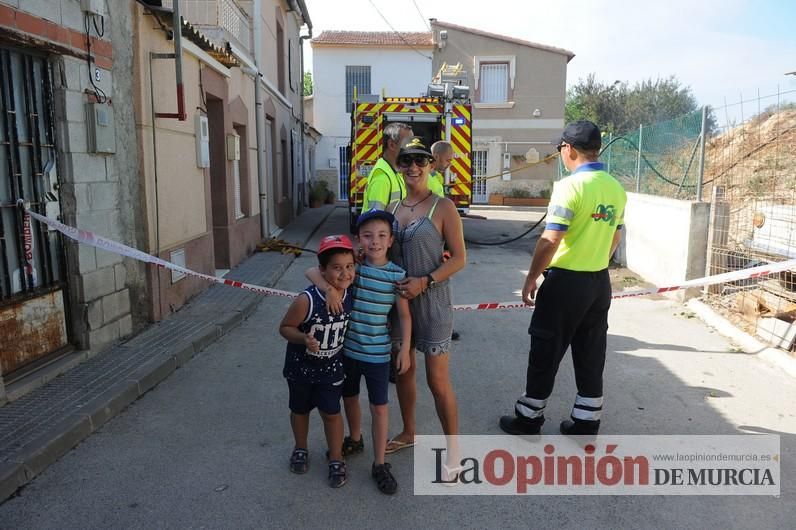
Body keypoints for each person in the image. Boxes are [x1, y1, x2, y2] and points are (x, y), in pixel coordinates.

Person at [499, 120, 627, 437]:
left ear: (568, 149)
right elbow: (616, 234)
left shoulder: (570, 186)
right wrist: (597, 258)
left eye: (560, 149)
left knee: (546, 348)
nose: (560, 154)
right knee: (591, 351)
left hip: (565, 284)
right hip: (598, 282)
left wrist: (530, 278)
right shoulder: (615, 187)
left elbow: (550, 238)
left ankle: (529, 417)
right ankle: (586, 421)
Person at [306, 210, 412, 495]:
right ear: (358, 240)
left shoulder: (397, 276)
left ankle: (379, 463)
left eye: (381, 236)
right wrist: (328, 289)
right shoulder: (355, 268)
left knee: (379, 408)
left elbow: (404, 316)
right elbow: (312, 270)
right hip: (348, 352)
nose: (374, 241)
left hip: (378, 356)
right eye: (367, 236)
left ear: (390, 240)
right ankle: (355, 439)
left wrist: (404, 349)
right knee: (349, 398)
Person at [384, 138, 466, 481]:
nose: (413, 167)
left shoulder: (443, 207)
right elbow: (382, 251)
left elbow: (460, 258)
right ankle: (409, 432)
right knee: (403, 371)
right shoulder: (391, 208)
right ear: (399, 165)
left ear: (431, 165)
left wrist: (426, 280)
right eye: (406, 161)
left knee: (437, 380)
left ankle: (455, 452)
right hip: (397, 306)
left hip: (432, 303)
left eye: (420, 161)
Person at [278, 234, 356, 488]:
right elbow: (285, 328)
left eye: (349, 266)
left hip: (331, 369)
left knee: (332, 413)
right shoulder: (307, 300)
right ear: (323, 271)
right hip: (300, 369)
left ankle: (336, 457)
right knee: (299, 410)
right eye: (336, 268)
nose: (344, 273)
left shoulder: (351, 293)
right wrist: (303, 338)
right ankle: (300, 447)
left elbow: (318, 269)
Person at [362, 122, 413, 211]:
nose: (412, 148)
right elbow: (375, 221)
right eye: (407, 143)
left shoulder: (395, 173)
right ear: (391, 145)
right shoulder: (382, 178)